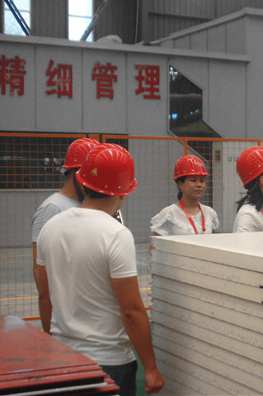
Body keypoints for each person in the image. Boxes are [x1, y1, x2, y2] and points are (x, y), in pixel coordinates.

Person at [35, 143, 164, 395]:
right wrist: (150, 367)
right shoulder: (116, 234)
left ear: (83, 183)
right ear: (124, 193)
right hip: (109, 362)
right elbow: (131, 310)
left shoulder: (50, 228)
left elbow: (44, 296)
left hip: (63, 357)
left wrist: (54, 342)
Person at [31, 138, 100, 289]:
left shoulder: (88, 204)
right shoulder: (52, 209)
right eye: (91, 174)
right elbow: (39, 268)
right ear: (76, 172)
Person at [150, 155, 219, 236]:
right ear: (181, 184)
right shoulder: (168, 214)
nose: (199, 185)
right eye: (193, 180)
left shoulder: (209, 213)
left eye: (202, 181)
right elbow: (156, 243)